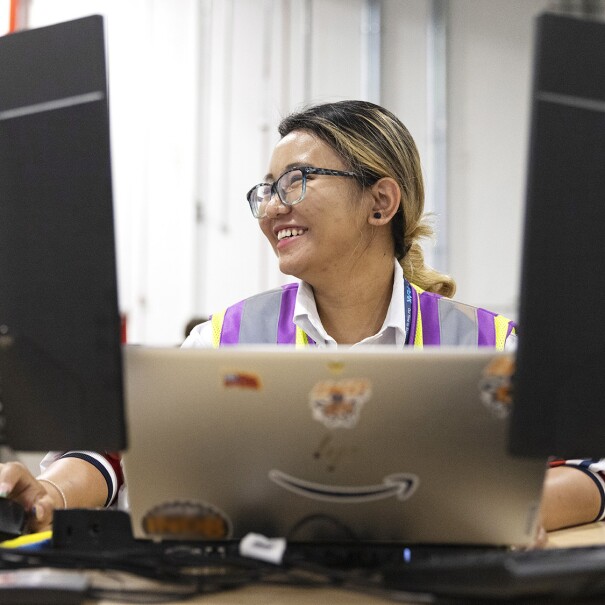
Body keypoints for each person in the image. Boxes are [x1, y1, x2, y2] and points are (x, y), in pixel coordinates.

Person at [0, 100, 602, 537]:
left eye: (297, 180)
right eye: (265, 189)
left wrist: (503, 514)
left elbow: (590, 467)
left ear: (381, 201)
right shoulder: (223, 339)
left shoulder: (489, 343)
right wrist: (51, 493)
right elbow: (114, 448)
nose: (271, 208)